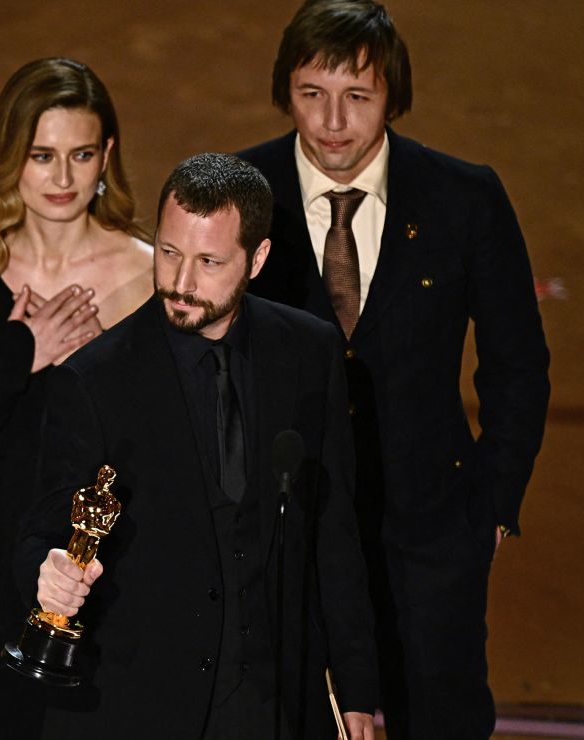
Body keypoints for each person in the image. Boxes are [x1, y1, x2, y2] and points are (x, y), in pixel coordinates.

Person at [236, 2, 551, 737]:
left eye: (358, 96)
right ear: (287, 91)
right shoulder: (240, 190)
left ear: (393, 96)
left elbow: (518, 366)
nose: (333, 122)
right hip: (281, 528)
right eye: (313, 94)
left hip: (432, 536)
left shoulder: (465, 197)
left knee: (435, 715)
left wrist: (493, 508)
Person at [17, 153, 378, 740]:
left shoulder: (310, 354)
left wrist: (357, 689)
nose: (181, 284)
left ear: (257, 259)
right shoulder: (93, 380)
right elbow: (43, 532)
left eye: (209, 261)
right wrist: (48, 571)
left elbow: (334, 533)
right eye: (168, 253)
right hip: (140, 706)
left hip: (275, 704)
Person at [0, 57, 153, 739]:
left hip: (118, 553)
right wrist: (26, 350)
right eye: (42, 155)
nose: (63, 178)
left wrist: (103, 362)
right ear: (10, 155)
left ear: (107, 155)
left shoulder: (150, 274)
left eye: (80, 154)